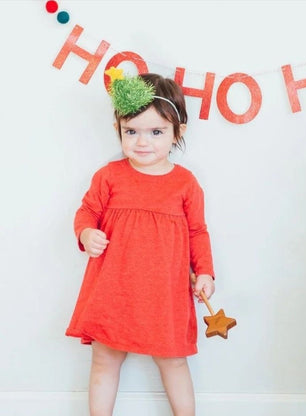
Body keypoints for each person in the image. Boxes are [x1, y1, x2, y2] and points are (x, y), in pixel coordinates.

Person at [66, 71, 215, 416]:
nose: (142, 142)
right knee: (104, 358)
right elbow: (86, 212)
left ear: (178, 132)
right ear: (118, 129)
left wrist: (205, 272)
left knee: (173, 361)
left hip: (165, 293)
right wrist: (86, 234)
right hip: (114, 290)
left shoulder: (185, 184)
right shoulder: (109, 176)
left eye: (156, 132)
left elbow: (197, 231)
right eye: (131, 131)